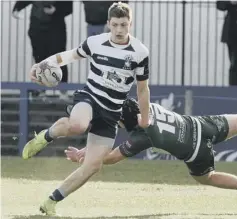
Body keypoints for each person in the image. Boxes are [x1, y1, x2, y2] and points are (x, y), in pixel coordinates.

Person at [23, 2, 151, 216]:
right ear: (108, 23)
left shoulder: (140, 52)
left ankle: (51, 202)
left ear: (131, 24)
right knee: (78, 124)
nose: (119, 30)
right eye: (116, 24)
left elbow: (143, 89)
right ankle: (44, 137)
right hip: (90, 97)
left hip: (112, 112)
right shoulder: (95, 42)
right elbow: (68, 56)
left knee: (93, 166)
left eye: (124, 25)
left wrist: (145, 119)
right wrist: (42, 64)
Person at [66, 98, 237, 193]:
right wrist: (91, 149)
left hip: (196, 152)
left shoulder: (142, 136)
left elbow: (112, 157)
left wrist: (87, 157)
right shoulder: (147, 106)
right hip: (201, 126)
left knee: (208, 178)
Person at [12, 1, 73, 99]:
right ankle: (41, 90)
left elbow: (69, 8)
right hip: (37, 27)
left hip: (56, 28)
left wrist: (56, 10)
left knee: (59, 59)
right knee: (39, 58)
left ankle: (63, 91)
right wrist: (16, 8)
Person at [216, 1, 237, 86]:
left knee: (234, 66)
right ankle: (233, 91)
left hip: (234, 32)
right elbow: (220, 5)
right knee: (234, 65)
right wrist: (231, 2)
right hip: (233, 35)